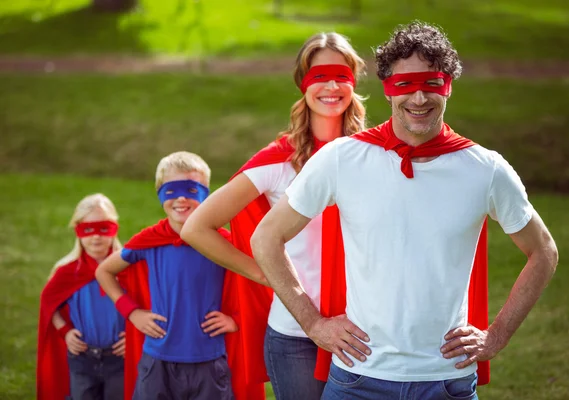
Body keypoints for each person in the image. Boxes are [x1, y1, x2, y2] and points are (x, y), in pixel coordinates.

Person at [250, 21, 559, 400]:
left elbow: (543, 251)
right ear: (386, 90)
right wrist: (313, 323)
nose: (418, 98)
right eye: (404, 85)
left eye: (431, 84)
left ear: (447, 87)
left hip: (447, 381)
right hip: (356, 380)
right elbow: (266, 237)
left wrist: (496, 336)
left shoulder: (485, 169)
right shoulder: (343, 158)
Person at [180, 32, 366, 400]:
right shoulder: (280, 161)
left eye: (341, 75)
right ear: (303, 85)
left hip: (363, 329)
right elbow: (197, 227)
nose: (331, 86)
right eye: (319, 76)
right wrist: (263, 273)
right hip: (296, 335)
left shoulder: (372, 154)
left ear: (354, 82)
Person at [95, 151, 238, 400]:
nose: (181, 198)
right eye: (171, 191)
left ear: (205, 193)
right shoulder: (149, 241)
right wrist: (132, 311)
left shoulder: (222, 242)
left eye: (190, 190)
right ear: (160, 194)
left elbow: (254, 284)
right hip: (157, 360)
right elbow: (104, 271)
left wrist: (236, 320)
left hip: (209, 361)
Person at [37, 193, 126, 400]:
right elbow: (48, 302)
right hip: (82, 358)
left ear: (114, 229)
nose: (96, 237)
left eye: (103, 228)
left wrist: (133, 335)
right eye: (88, 229)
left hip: (120, 358)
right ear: (78, 232)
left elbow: (145, 303)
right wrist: (65, 331)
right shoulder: (68, 271)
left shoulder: (126, 268)